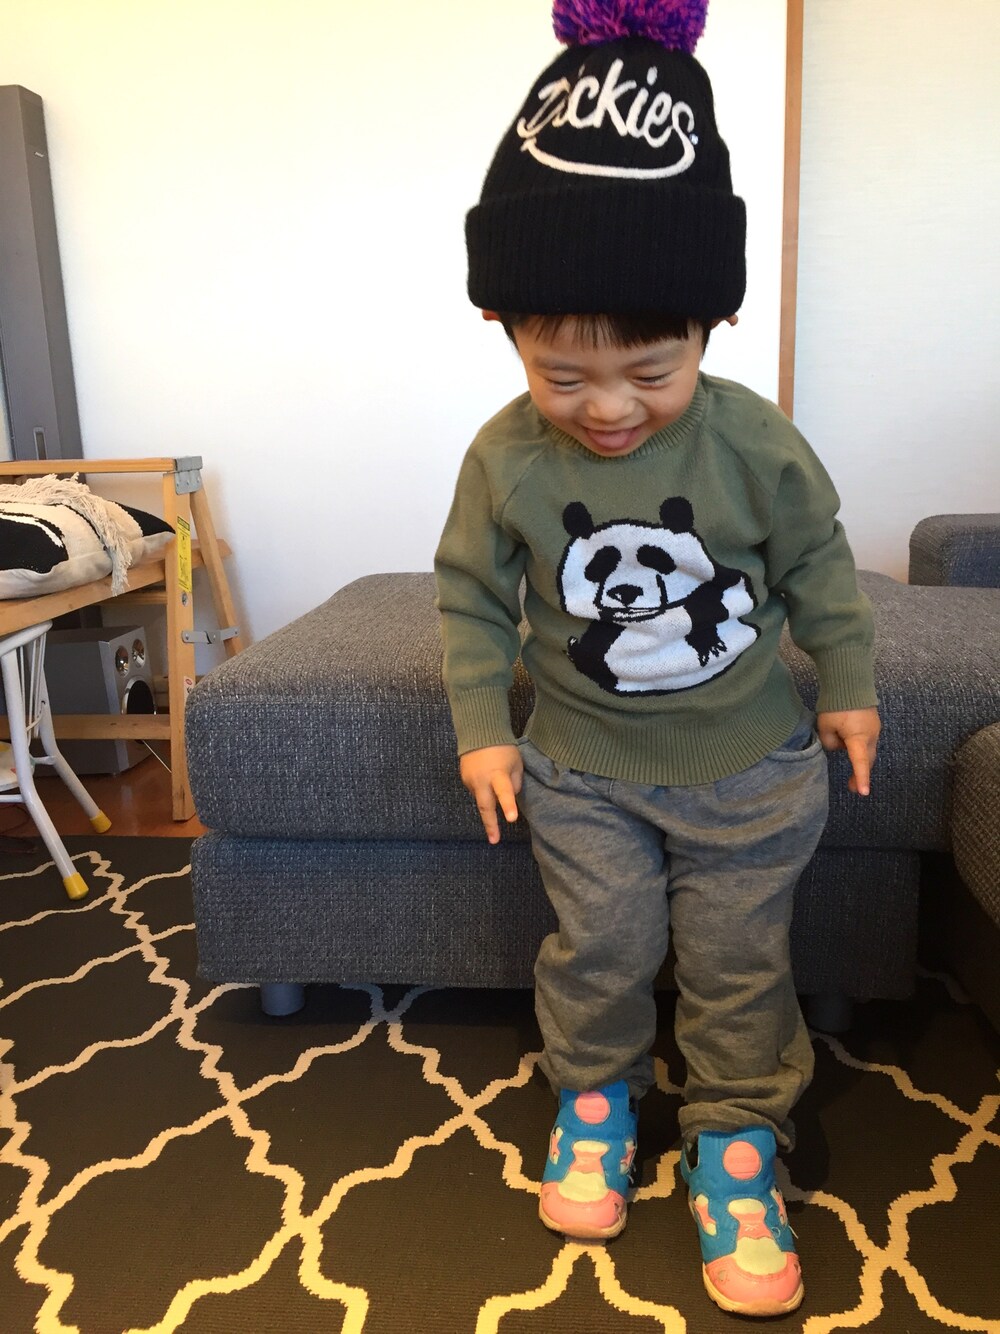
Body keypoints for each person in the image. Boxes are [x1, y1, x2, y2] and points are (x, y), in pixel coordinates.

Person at [434, 0, 880, 1317]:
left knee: (741, 962)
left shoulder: (753, 443)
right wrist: (483, 725)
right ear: (506, 326)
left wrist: (850, 688)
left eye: (651, 368)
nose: (611, 408)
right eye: (564, 376)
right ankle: (595, 1099)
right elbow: (471, 595)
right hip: (582, 772)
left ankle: (738, 1138)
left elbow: (821, 564)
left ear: (710, 327)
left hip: (751, 770)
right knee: (602, 945)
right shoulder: (504, 456)